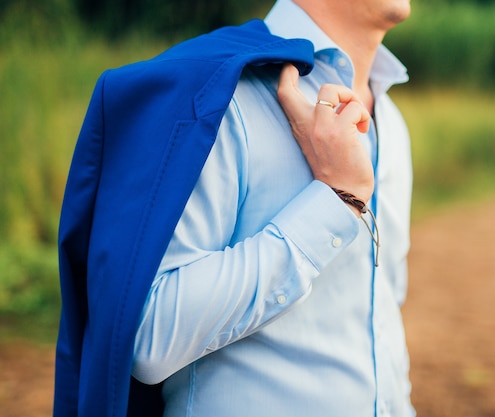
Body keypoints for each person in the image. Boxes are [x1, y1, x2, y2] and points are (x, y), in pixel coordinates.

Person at [55, 0, 414, 415]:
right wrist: (335, 201)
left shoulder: (391, 118)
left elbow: (384, 312)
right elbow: (146, 336)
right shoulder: (218, 94)